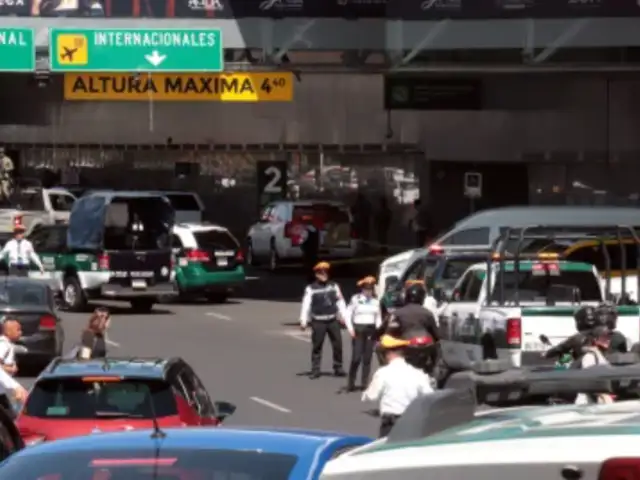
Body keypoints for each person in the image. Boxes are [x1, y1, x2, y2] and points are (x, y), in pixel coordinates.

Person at [362, 334, 435, 438]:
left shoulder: (383, 373)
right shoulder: (418, 373)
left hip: (391, 424)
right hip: (411, 423)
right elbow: (430, 396)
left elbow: (372, 396)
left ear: (387, 354)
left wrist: (365, 394)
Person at [299, 262, 347, 379]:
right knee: (317, 346)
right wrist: (303, 320)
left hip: (332, 320)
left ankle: (338, 367)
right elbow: (306, 304)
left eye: (325, 273)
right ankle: (315, 370)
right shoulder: (311, 288)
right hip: (318, 321)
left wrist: (344, 316)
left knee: (338, 344)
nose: (324, 275)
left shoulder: (334, 286)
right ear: (316, 274)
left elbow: (340, 301)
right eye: (321, 273)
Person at [345, 276, 382, 392]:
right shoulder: (355, 299)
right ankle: (351, 382)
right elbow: (347, 314)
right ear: (362, 289)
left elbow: (378, 318)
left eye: (370, 289)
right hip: (358, 329)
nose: (368, 291)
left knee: (367, 358)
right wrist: (350, 329)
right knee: (356, 357)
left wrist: (379, 332)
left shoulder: (376, 301)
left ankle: (364, 383)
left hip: (370, 330)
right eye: (366, 289)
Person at [574, 325, 614, 405]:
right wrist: (604, 396)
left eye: (609, 337)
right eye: (604, 337)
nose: (608, 339)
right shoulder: (590, 356)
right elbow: (589, 380)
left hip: (598, 403)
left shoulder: (602, 356)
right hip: (586, 403)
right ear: (595, 339)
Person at [300, 217, 320, 283]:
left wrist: (302, 246)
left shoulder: (305, 231)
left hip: (307, 250)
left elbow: (302, 240)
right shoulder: (316, 230)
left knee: (308, 264)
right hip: (314, 250)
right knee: (314, 263)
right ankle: (315, 277)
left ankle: (310, 278)